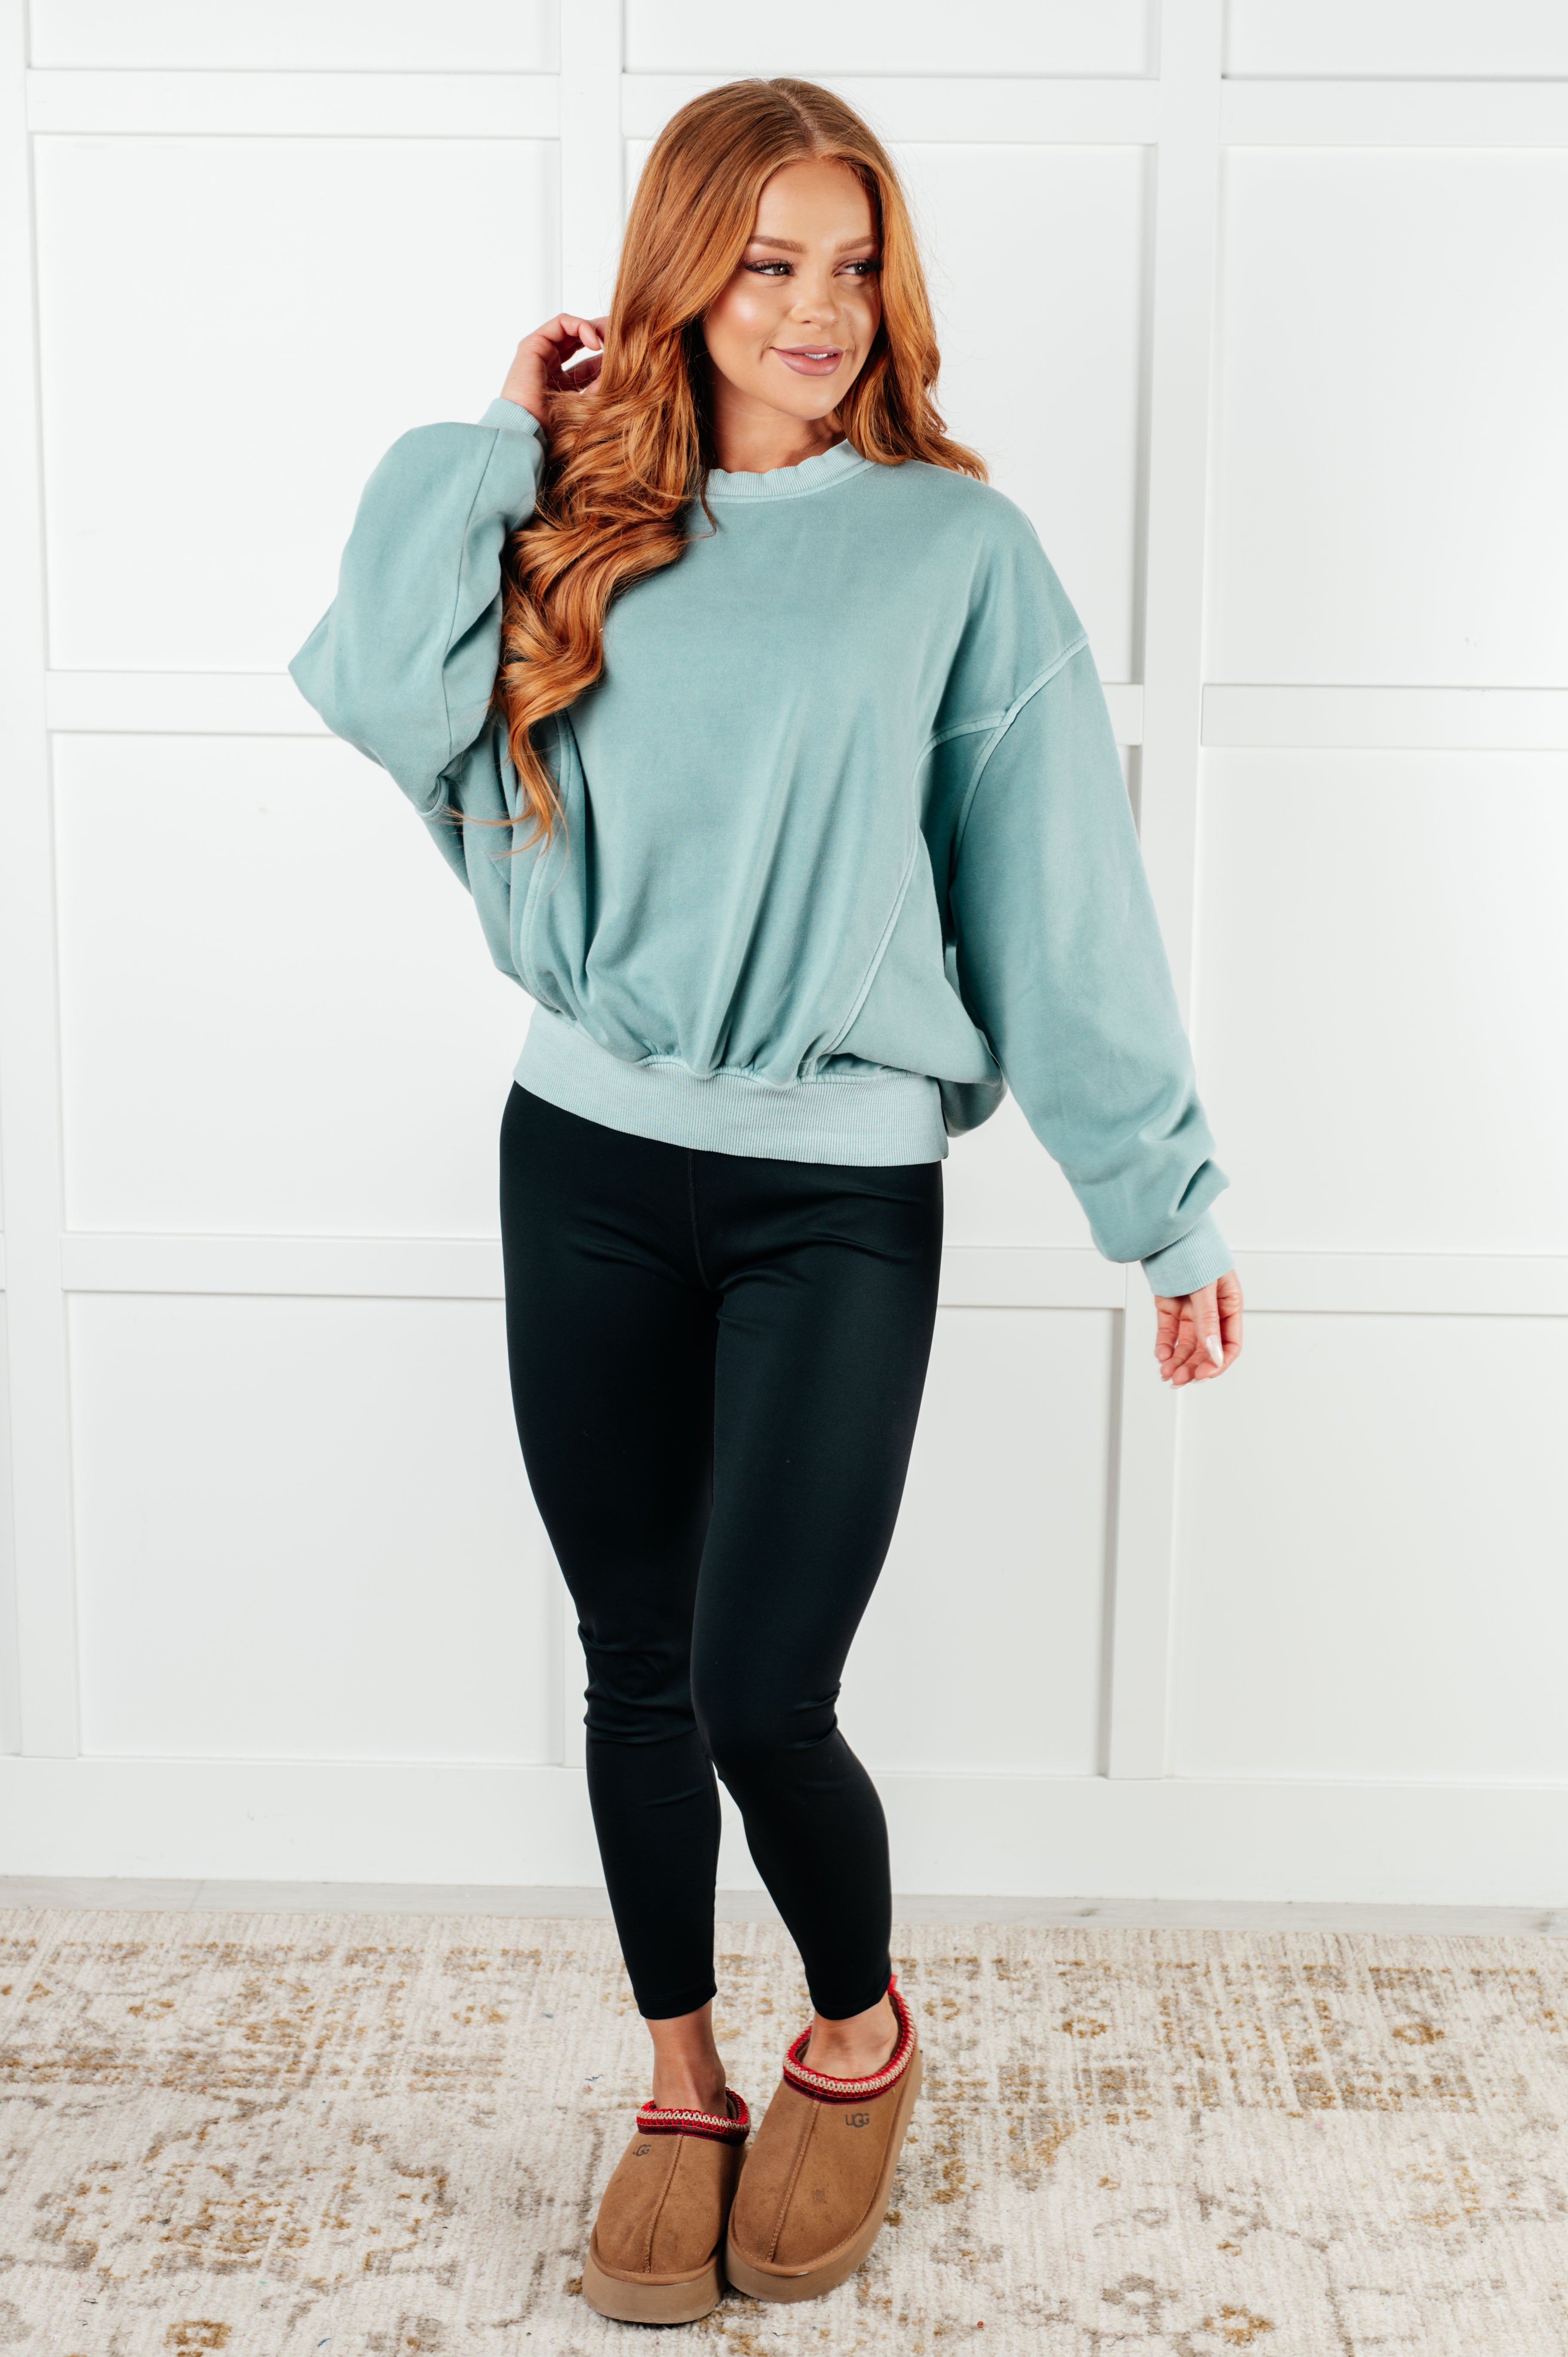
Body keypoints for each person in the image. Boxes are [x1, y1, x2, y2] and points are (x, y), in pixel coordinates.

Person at [290, 73, 1243, 2328]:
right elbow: (378, 692)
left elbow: (1059, 905)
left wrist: (1166, 1205)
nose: (819, 308)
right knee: (633, 1661)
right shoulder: (568, 522)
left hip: (836, 1192)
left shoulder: (955, 554)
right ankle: (681, 2084)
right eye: (768, 260)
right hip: (583, 1161)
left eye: (854, 264)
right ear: (681, 274)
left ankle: (857, 2028)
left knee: (758, 1685)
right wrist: (500, 440)